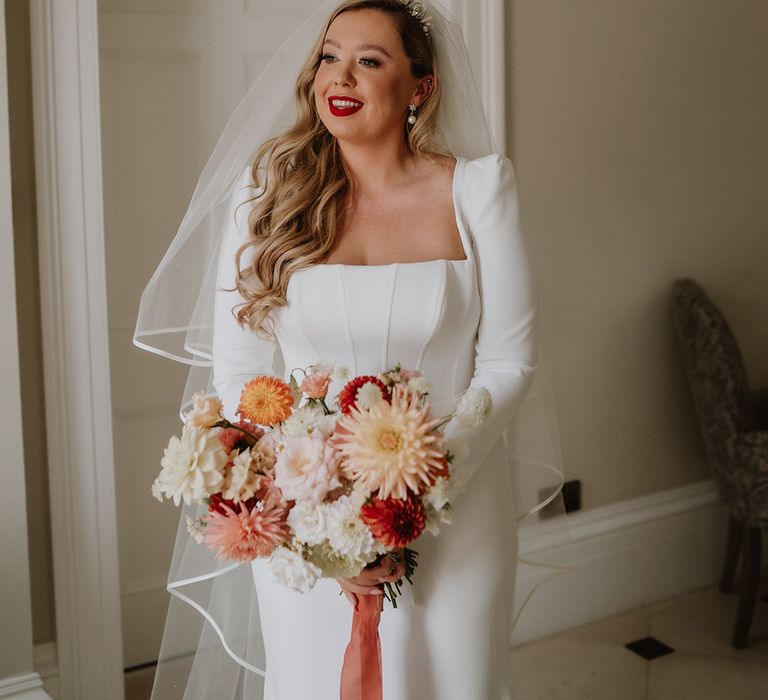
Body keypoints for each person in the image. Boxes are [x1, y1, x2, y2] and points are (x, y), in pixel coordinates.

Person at [134, 1, 573, 698]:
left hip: (455, 511)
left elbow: (511, 362)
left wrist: (417, 493)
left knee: (453, 681)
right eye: (330, 57)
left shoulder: (479, 189)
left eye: (370, 60)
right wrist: (320, 526)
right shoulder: (266, 194)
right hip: (306, 512)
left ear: (419, 86)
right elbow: (243, 373)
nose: (341, 76)